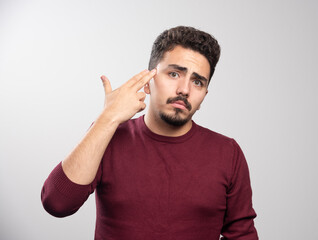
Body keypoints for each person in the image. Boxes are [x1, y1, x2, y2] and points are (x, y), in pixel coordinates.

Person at [41, 26, 258, 240]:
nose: (184, 89)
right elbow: (57, 203)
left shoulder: (227, 153)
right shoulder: (108, 134)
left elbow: (243, 235)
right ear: (148, 82)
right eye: (174, 74)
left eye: (197, 82)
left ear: (204, 95)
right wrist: (107, 118)